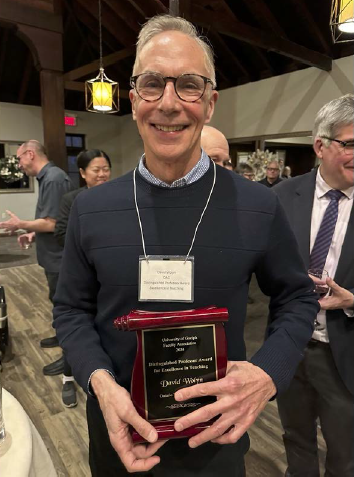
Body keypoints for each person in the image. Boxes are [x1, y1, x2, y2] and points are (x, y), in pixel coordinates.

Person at [53, 15, 318, 477]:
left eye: (189, 85)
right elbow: (72, 310)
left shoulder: (259, 205)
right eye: (153, 84)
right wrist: (97, 380)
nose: (169, 104)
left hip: (216, 440)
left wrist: (268, 374)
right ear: (133, 98)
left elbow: (297, 297)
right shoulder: (91, 209)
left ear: (210, 103)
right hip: (118, 433)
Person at [274, 94, 354, 477]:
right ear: (320, 145)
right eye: (351, 144)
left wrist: (352, 300)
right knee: (294, 436)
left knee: (345, 448)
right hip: (288, 345)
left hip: (344, 352)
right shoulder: (281, 197)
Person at [0, 140, 73, 373]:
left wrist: (20, 224)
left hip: (59, 258)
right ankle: (62, 338)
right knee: (57, 302)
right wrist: (31, 232)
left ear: (30, 154)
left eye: (20, 158)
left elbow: (53, 223)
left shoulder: (53, 178)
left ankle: (69, 357)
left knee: (66, 307)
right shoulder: (47, 177)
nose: (19, 164)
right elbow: (50, 218)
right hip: (51, 256)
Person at [54, 149, 112, 407]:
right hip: (79, 271)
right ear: (82, 173)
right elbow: (60, 233)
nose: (101, 174)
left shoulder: (117, 196)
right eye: (95, 170)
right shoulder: (73, 199)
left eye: (105, 169)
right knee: (77, 321)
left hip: (107, 275)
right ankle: (69, 377)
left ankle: (105, 373)